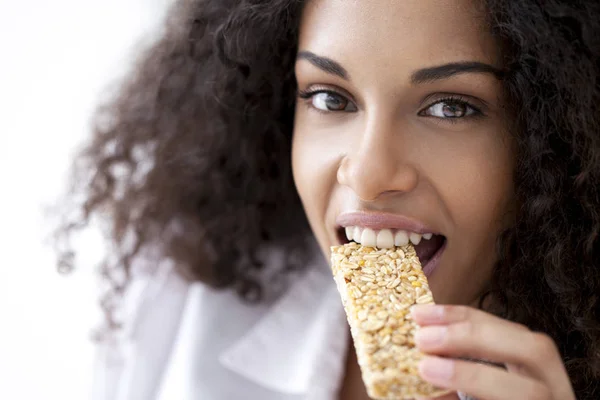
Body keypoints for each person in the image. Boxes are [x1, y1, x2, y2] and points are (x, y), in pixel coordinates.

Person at [56, 0, 600, 399]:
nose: (368, 174)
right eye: (329, 97)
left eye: (450, 108)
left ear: (554, 137)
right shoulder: (185, 299)